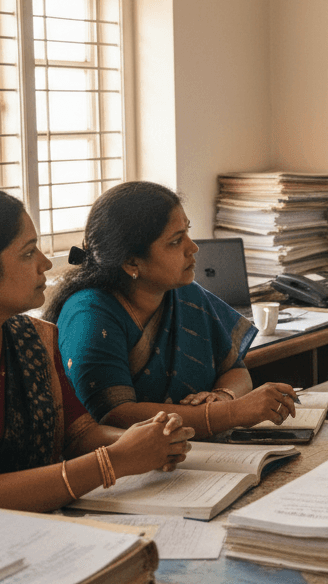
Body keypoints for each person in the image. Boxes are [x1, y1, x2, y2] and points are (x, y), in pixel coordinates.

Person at [0, 188, 192, 513]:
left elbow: (78, 435)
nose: (45, 263)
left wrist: (147, 440)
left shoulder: (34, 339)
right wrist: (115, 460)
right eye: (28, 252)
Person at [46, 182, 296, 437]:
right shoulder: (89, 315)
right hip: (132, 467)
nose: (193, 247)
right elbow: (114, 415)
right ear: (132, 261)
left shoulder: (185, 294)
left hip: (204, 456)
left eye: (187, 232)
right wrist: (231, 413)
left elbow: (234, 369)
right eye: (176, 241)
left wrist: (222, 397)